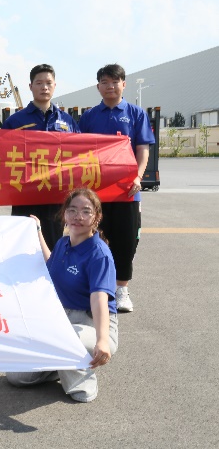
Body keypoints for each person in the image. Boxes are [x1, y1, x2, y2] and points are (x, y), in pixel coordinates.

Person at [7, 187, 118, 403]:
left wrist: (103, 340)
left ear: (97, 217)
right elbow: (52, 265)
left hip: (91, 323)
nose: (78, 216)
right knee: (17, 377)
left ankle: (84, 382)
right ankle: (61, 363)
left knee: (65, 345)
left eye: (86, 211)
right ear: (64, 214)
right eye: (72, 210)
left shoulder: (99, 254)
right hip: (61, 319)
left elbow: (99, 300)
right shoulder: (63, 243)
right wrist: (38, 232)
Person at [78, 64, 155, 313]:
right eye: (105, 82)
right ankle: (96, 288)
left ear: (124, 84)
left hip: (127, 190)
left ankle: (122, 289)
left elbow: (143, 148)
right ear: (98, 86)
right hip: (95, 192)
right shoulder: (89, 117)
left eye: (115, 81)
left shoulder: (136, 113)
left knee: (126, 240)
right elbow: (77, 150)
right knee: (93, 239)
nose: (110, 86)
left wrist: (138, 177)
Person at [2, 64, 79, 250]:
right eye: (39, 83)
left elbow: (79, 153)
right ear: (30, 86)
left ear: (55, 86)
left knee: (52, 245)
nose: (44, 87)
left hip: (55, 194)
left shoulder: (67, 121)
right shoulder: (15, 121)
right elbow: (0, 153)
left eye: (48, 83)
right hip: (24, 194)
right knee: (22, 244)